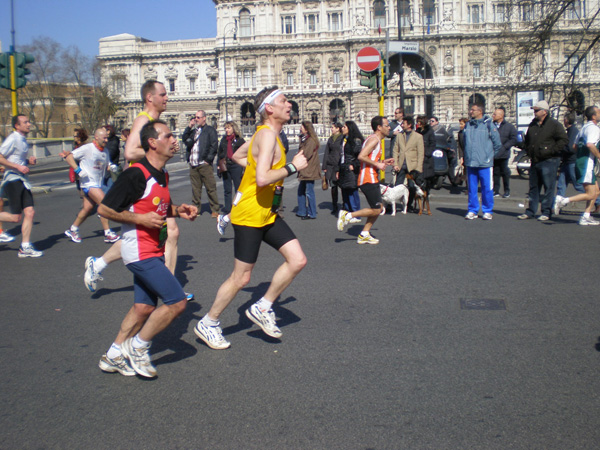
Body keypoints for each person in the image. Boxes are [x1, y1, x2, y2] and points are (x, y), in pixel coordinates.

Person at [194, 86, 308, 350]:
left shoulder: (265, 134)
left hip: (266, 213)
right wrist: (292, 167)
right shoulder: (267, 136)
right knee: (241, 278)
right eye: (283, 100)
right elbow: (262, 178)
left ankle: (263, 306)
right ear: (270, 108)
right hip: (248, 214)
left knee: (298, 259)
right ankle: (209, 322)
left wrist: (261, 167)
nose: (288, 104)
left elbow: (236, 156)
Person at [97, 120, 198, 377]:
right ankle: (139, 347)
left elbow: (158, 209)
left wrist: (178, 211)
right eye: (168, 135)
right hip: (139, 251)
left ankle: (113, 355)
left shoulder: (163, 173)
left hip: (153, 248)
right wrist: (139, 220)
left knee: (143, 308)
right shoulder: (135, 174)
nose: (174, 140)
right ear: (153, 142)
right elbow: (105, 209)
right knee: (177, 303)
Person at [84, 80, 191, 301]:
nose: (166, 98)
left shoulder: (154, 122)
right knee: (166, 232)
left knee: (152, 234)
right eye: (162, 94)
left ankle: (100, 264)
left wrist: (166, 147)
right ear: (150, 97)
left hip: (155, 179)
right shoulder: (144, 119)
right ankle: (169, 286)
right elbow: (131, 152)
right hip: (142, 182)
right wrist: (158, 150)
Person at [337, 116, 394, 244]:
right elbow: (361, 156)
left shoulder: (375, 139)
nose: (389, 127)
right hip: (368, 178)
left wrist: (383, 162)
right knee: (377, 209)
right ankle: (348, 215)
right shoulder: (374, 140)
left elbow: (369, 159)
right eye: (386, 125)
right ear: (379, 127)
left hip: (370, 176)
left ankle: (364, 233)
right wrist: (378, 164)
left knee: (377, 208)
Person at [61, 127, 120, 244]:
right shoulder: (87, 148)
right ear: (96, 137)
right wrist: (78, 170)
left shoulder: (105, 151)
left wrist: (112, 167)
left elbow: (107, 164)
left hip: (97, 183)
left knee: (87, 208)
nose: (106, 140)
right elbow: (69, 157)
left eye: (107, 138)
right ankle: (108, 233)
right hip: (88, 183)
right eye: (104, 138)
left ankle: (73, 229)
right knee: (104, 204)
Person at [0, 114, 43, 257]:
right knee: (15, 217)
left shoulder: (23, 140)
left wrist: (27, 161)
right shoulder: (12, 138)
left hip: (23, 180)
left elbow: (17, 158)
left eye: (29, 122)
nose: (29, 124)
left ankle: (25, 247)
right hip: (13, 180)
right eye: (25, 122)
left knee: (30, 212)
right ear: (17, 126)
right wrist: (18, 167)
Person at [518, 100, 568, 221]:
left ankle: (546, 211)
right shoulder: (533, 124)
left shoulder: (554, 125)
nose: (534, 112)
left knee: (548, 187)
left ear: (544, 112)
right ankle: (530, 211)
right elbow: (529, 140)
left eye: (536, 110)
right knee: (534, 187)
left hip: (549, 160)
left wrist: (551, 151)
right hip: (535, 160)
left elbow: (563, 140)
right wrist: (526, 148)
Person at [554, 106, 600, 225]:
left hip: (582, 161)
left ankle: (586, 215)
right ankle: (564, 200)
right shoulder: (594, 129)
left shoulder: (584, 127)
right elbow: (590, 145)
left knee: (596, 192)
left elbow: (574, 147)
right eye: (599, 112)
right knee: (590, 193)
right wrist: (598, 156)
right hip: (587, 164)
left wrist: (581, 154)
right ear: (594, 116)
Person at [463, 103, 502, 220]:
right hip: (471, 163)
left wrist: (489, 157)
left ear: (480, 111)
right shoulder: (468, 125)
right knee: (472, 189)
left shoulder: (489, 125)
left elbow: (497, 144)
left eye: (473, 110)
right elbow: (464, 142)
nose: (470, 112)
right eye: (470, 110)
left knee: (487, 188)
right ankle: (472, 210)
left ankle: (487, 210)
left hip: (485, 163)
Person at [186, 110, 220, 217]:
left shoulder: (210, 130)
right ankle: (196, 209)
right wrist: (188, 127)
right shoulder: (194, 130)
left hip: (204, 163)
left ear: (204, 118)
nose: (196, 119)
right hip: (193, 163)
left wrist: (208, 160)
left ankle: (214, 209)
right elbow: (185, 139)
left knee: (210, 187)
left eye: (198, 117)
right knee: (195, 188)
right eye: (195, 117)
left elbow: (214, 145)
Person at [554, 112, 584, 209]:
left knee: (578, 185)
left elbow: (571, 148)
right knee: (561, 185)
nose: (563, 120)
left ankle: (596, 199)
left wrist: (560, 148)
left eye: (564, 118)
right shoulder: (570, 130)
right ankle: (558, 204)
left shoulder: (573, 131)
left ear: (566, 120)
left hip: (572, 162)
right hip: (567, 162)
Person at [296, 120, 321, 219]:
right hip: (305, 169)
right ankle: (302, 211)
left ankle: (312, 213)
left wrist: (298, 155)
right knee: (301, 191)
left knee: (309, 192)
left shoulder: (310, 140)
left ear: (306, 129)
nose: (300, 129)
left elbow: (306, 153)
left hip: (309, 169)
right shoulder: (306, 139)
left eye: (301, 127)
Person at [338, 121, 363, 216]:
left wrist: (354, 165)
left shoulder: (356, 140)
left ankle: (355, 213)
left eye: (344, 127)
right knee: (345, 189)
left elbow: (360, 155)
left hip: (351, 168)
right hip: (344, 168)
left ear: (350, 128)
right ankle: (347, 211)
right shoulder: (344, 139)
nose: (342, 128)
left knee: (352, 190)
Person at [491, 107, 517, 198]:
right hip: (493, 153)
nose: (493, 116)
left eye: (495, 114)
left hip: (504, 153)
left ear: (501, 116)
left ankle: (507, 190)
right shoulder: (491, 125)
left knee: (504, 172)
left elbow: (514, 138)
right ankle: (496, 190)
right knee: (495, 173)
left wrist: (505, 147)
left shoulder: (509, 126)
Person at [392, 115, 424, 186]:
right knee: (398, 186)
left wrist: (418, 168)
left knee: (412, 187)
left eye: (404, 123)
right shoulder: (399, 135)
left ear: (409, 125)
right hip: (401, 166)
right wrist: (395, 164)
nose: (402, 125)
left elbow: (420, 154)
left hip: (412, 167)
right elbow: (395, 150)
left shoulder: (418, 137)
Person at [322, 122, 344, 215]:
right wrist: (324, 166)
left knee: (342, 187)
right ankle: (334, 205)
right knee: (333, 186)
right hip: (331, 165)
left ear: (338, 128)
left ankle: (344, 205)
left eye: (333, 127)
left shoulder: (342, 138)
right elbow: (326, 152)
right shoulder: (330, 139)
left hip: (339, 165)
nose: (331, 129)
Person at [416, 115, 436, 188]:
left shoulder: (429, 131)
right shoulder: (417, 131)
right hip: (418, 156)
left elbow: (433, 143)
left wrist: (428, 153)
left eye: (419, 122)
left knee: (426, 177)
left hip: (426, 157)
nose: (418, 124)